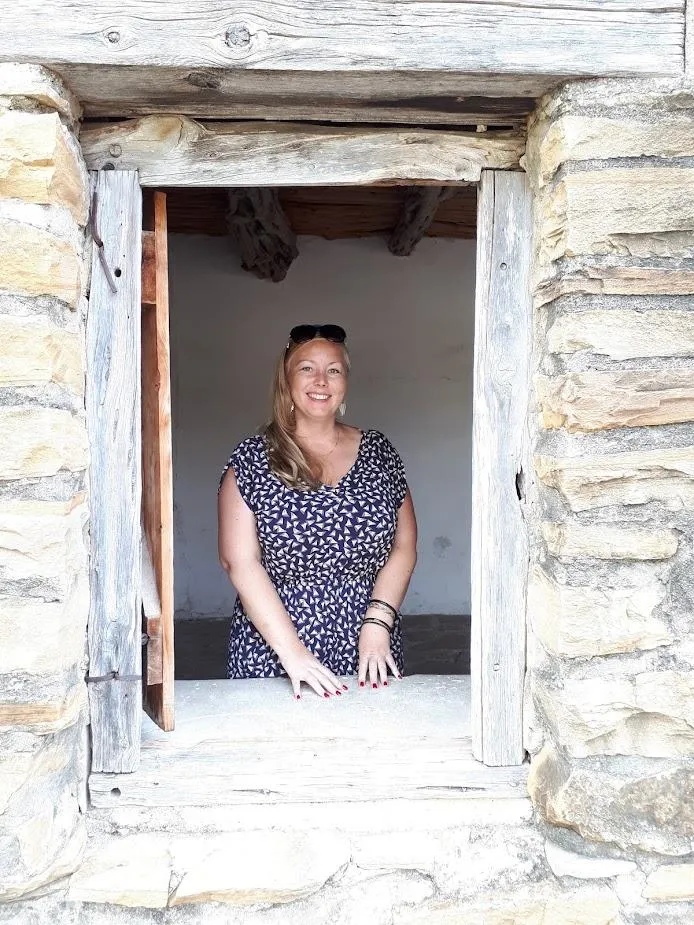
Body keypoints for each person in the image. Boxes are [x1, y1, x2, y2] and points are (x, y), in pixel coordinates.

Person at [217, 323, 417, 699]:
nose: (321, 380)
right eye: (307, 368)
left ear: (344, 383)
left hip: (368, 646)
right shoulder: (253, 458)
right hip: (274, 650)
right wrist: (294, 654)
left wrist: (377, 624)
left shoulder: (379, 452)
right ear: (286, 381)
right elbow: (239, 562)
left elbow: (404, 545)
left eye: (334, 370)